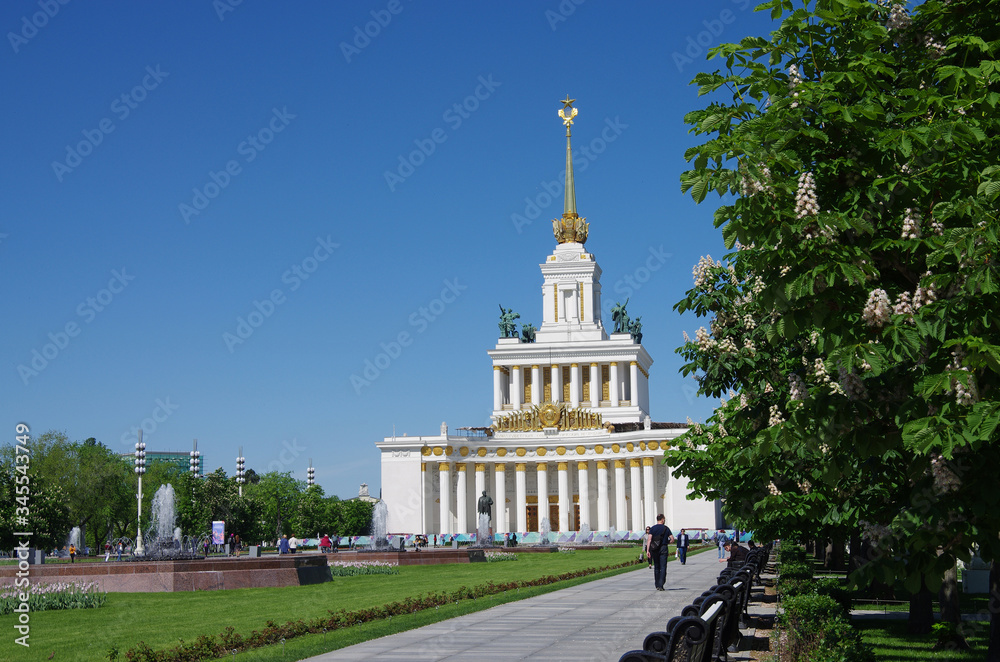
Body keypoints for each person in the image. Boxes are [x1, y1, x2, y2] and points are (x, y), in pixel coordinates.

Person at [645, 514, 674, 591]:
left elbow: (649, 539)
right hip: (663, 548)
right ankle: (661, 584)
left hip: (654, 549)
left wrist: (648, 550)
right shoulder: (666, 528)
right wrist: (667, 542)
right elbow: (672, 539)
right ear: (662, 519)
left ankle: (657, 584)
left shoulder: (653, 528)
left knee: (657, 567)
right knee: (663, 566)